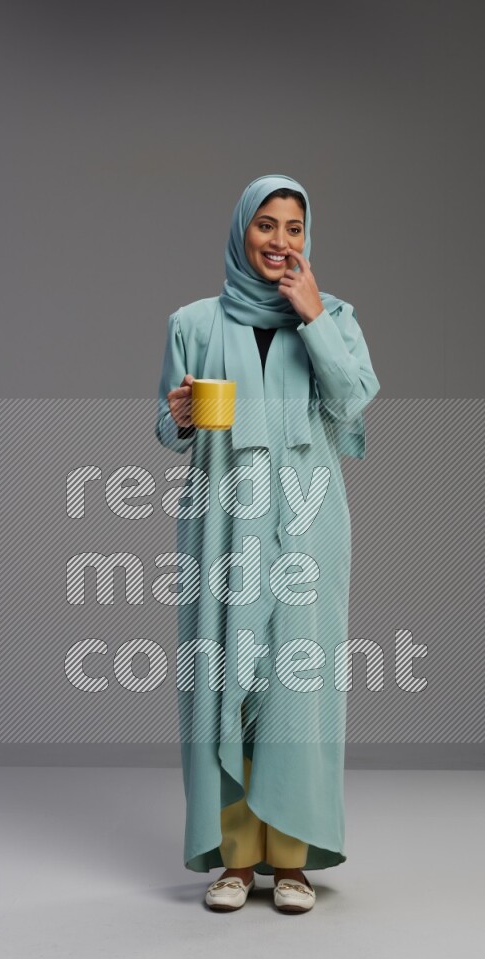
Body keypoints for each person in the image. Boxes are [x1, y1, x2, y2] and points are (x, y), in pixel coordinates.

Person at [154, 174, 380, 914]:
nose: (281, 242)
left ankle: (291, 860)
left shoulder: (334, 316)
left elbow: (352, 404)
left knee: (297, 687)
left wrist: (311, 317)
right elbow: (167, 428)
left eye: (294, 228)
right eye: (267, 226)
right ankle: (233, 857)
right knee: (222, 680)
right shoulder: (192, 321)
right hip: (222, 520)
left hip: (307, 525)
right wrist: (180, 415)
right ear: (241, 231)